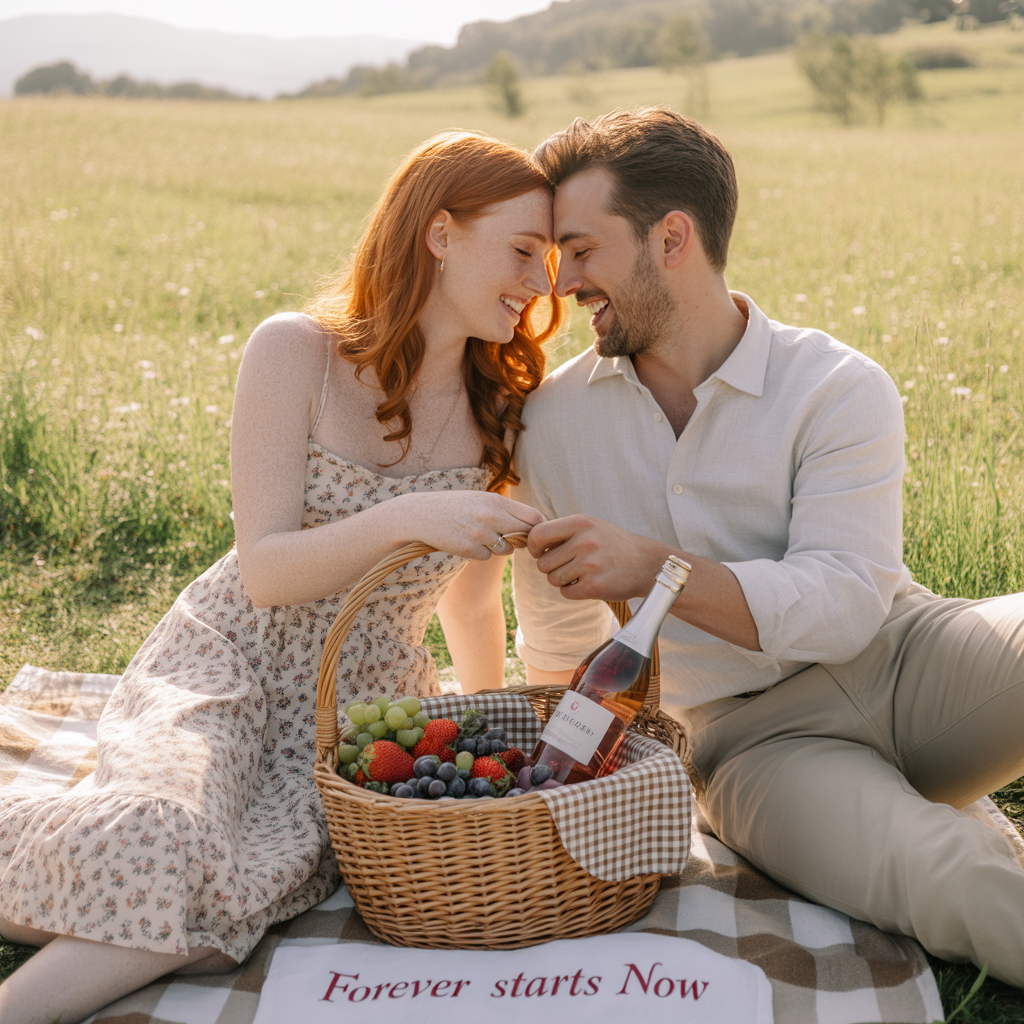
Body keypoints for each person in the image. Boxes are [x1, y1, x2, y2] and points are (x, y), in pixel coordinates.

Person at [0, 130, 562, 1024]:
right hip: (227, 654)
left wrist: (490, 754)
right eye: (525, 251)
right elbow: (264, 571)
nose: (544, 284)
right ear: (441, 233)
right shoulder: (295, 351)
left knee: (251, 883)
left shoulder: (506, 403)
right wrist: (407, 517)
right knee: (166, 831)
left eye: (553, 259)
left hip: (359, 700)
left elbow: (465, 593)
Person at [510, 106, 1024, 986]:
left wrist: (656, 573)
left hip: (907, 658)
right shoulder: (550, 426)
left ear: (672, 237)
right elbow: (561, 649)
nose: (565, 283)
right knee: (952, 876)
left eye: (584, 250)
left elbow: (846, 601)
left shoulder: (835, 384)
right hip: (751, 748)